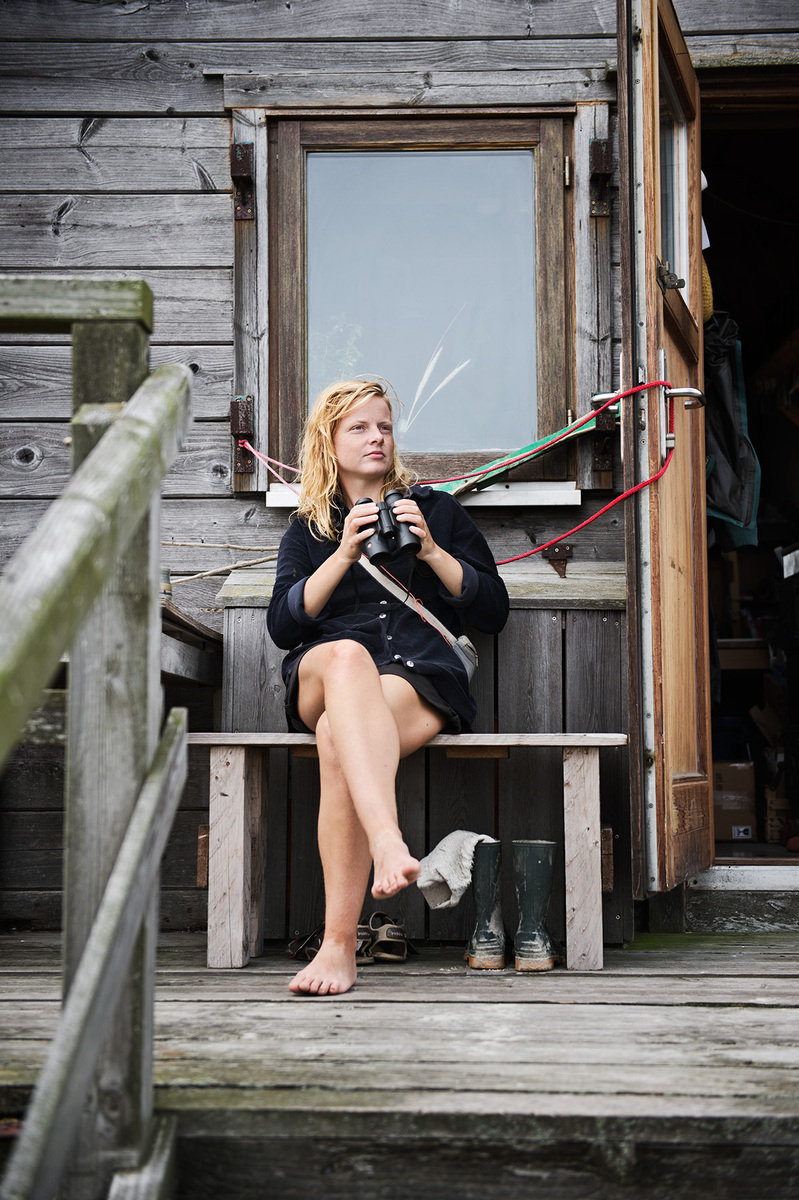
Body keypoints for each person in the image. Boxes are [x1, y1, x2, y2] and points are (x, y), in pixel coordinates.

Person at [267, 379, 509, 996]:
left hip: (417, 672)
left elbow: (492, 608)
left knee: (333, 739)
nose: (377, 437)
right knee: (346, 657)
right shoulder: (309, 528)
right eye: (360, 427)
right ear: (329, 440)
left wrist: (429, 548)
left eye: (384, 426)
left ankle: (339, 946)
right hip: (327, 671)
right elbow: (284, 625)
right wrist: (344, 554)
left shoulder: (439, 511)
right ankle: (386, 837)